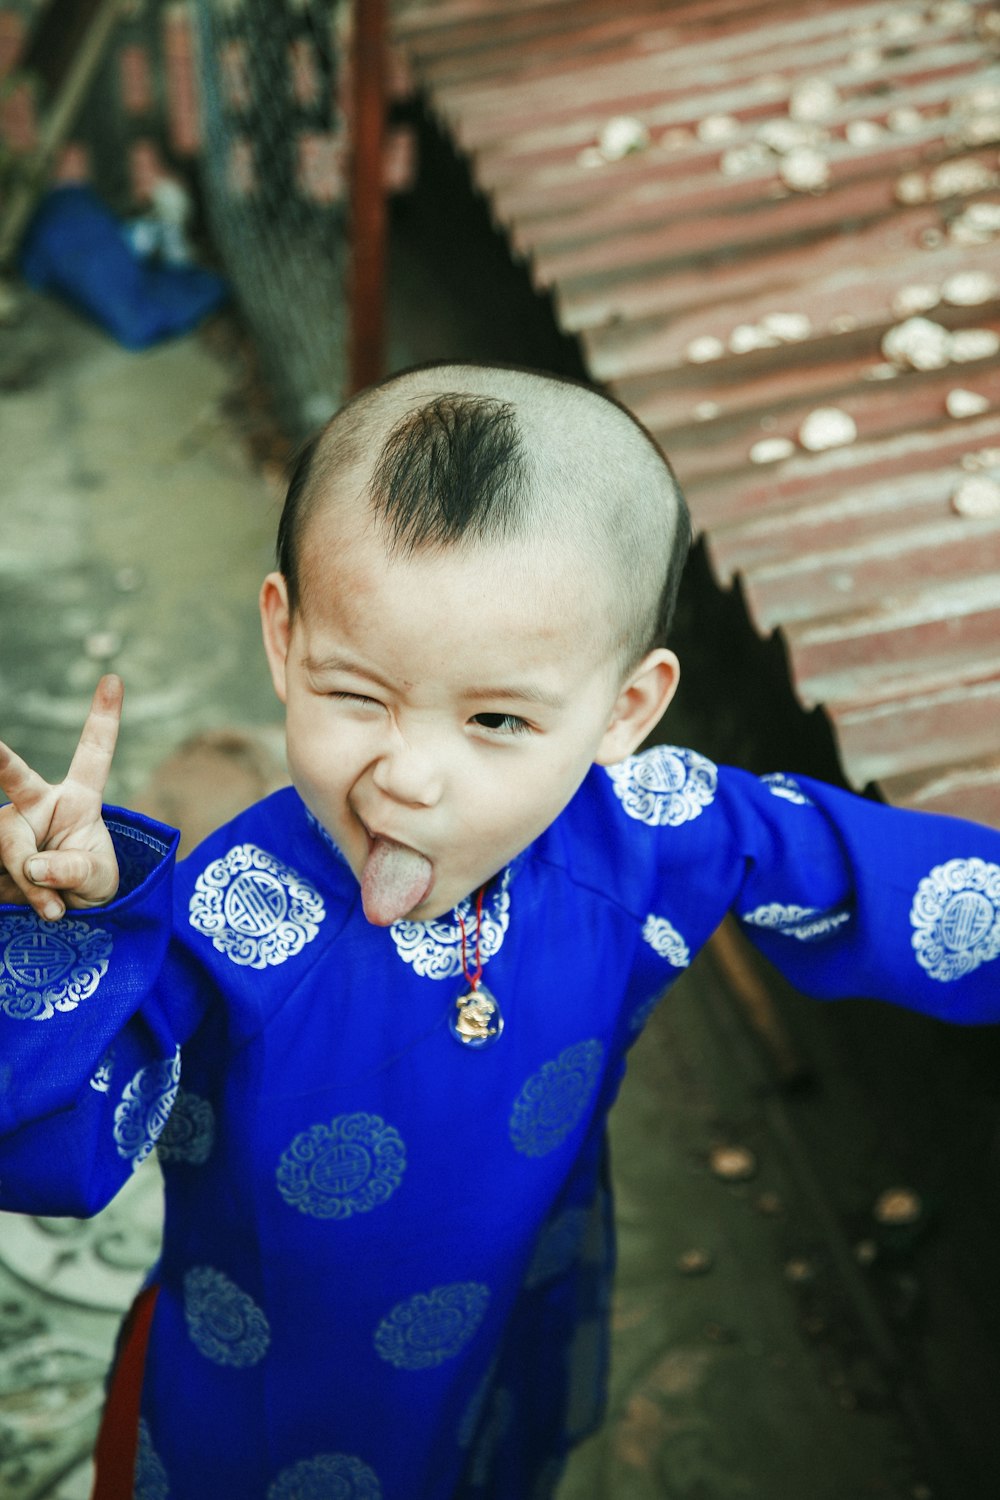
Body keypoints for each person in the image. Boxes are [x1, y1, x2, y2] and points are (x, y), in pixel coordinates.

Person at [1, 363, 998, 1500]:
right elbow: (41, 1140)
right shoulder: (231, 916)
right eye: (358, 696)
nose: (408, 777)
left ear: (624, 709)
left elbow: (880, 879)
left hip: (509, 1310)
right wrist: (69, 934)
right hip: (264, 1388)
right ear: (285, 638)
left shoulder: (649, 835)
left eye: (498, 719)